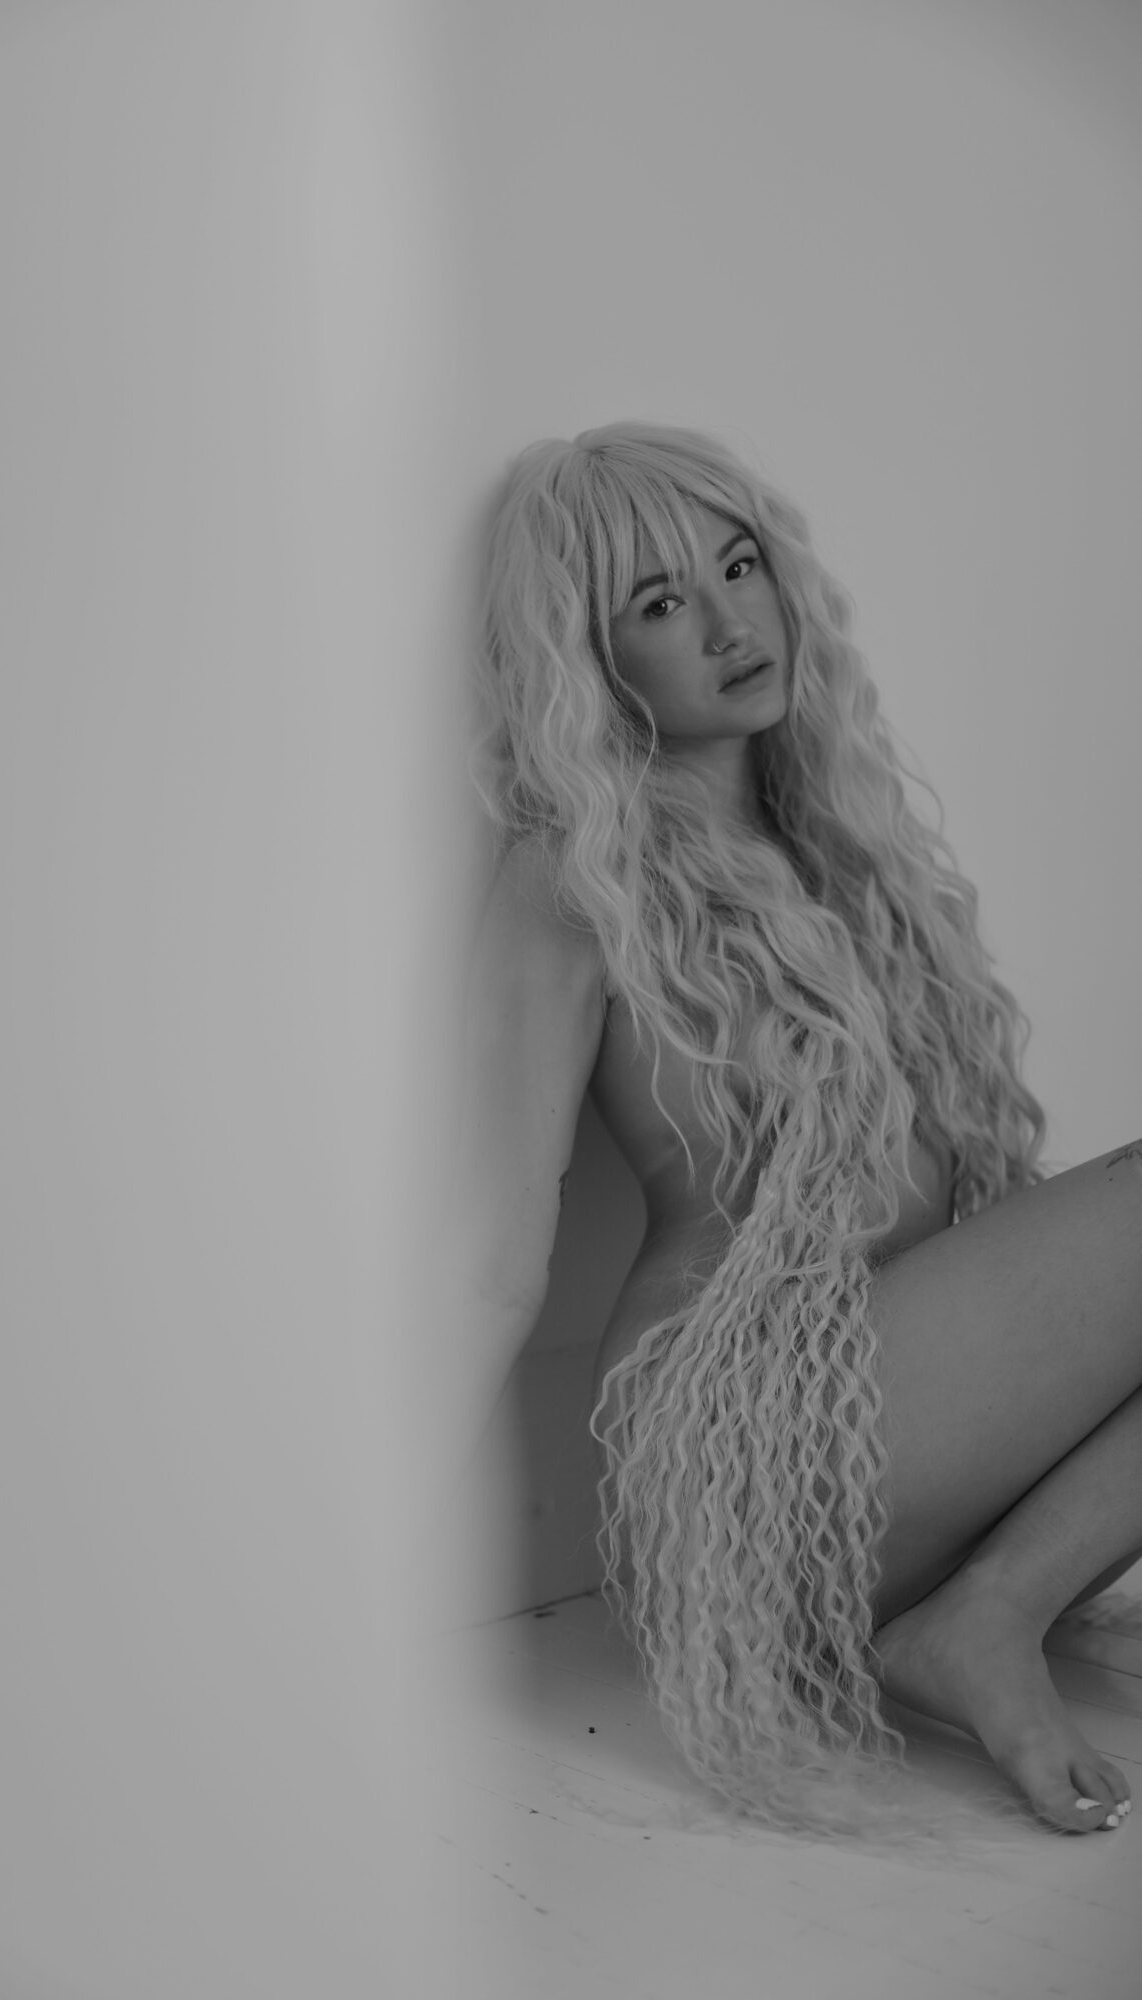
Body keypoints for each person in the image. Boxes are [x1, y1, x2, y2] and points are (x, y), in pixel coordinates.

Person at [457, 419, 1140, 1838]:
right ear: (592, 656)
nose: (726, 624)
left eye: (738, 567)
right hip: (744, 1472)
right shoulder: (573, 872)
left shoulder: (841, 850)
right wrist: (329, 1574)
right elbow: (488, 1267)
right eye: (658, 603)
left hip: (892, 1461)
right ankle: (976, 1619)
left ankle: (984, 1613)